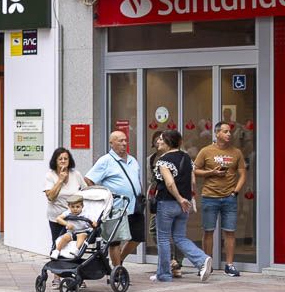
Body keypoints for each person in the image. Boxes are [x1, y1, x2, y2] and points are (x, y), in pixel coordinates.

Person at [150, 129, 213, 283]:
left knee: (163, 238)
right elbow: (192, 181)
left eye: (161, 140)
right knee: (179, 237)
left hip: (168, 202)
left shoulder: (163, 161)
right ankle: (202, 259)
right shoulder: (187, 158)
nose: (158, 142)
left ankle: (164, 274)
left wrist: (178, 198)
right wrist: (188, 199)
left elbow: (169, 183)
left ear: (168, 143)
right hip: (184, 204)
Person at [193, 120, 245, 277]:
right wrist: (212, 173)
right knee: (208, 231)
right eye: (225, 131)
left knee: (230, 232)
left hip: (229, 198)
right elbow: (195, 170)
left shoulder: (236, 152)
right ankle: (206, 264)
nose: (229, 134)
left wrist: (235, 192)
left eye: (230, 131)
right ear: (217, 134)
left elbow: (243, 173)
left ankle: (229, 265)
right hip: (210, 196)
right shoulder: (206, 151)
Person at [85, 130, 141, 267]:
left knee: (138, 236)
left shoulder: (133, 160)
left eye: (125, 140)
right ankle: (117, 271)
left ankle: (119, 260)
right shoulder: (105, 161)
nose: (124, 143)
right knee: (115, 241)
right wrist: (102, 196)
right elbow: (88, 179)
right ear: (111, 143)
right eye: (120, 141)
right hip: (116, 207)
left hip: (134, 205)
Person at [44, 147, 87, 249]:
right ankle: (55, 262)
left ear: (69, 160)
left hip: (75, 217)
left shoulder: (76, 174)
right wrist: (60, 180)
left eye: (65, 158)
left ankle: (71, 263)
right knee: (58, 244)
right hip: (57, 218)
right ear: (55, 161)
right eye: (60, 159)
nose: (63, 161)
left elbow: (86, 191)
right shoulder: (50, 175)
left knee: (73, 244)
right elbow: (50, 197)